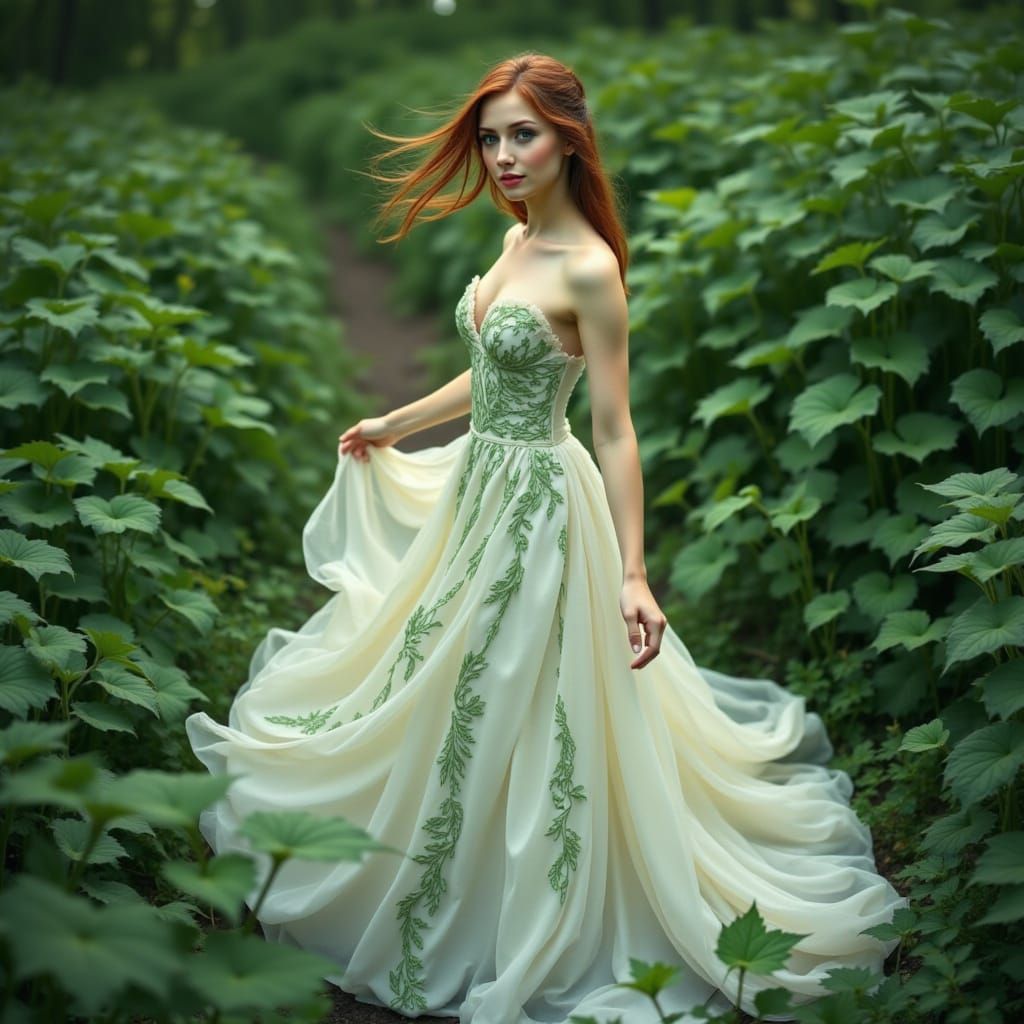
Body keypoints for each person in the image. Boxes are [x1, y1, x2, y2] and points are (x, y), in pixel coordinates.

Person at [186, 52, 907, 1024]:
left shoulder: (591, 269)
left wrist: (637, 574)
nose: (501, 155)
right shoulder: (516, 237)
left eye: (521, 133)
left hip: (542, 504)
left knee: (523, 691)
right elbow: (489, 364)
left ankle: (519, 907)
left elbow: (613, 427)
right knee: (440, 676)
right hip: (476, 488)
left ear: (569, 136)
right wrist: (399, 421)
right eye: (489, 138)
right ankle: (435, 866)